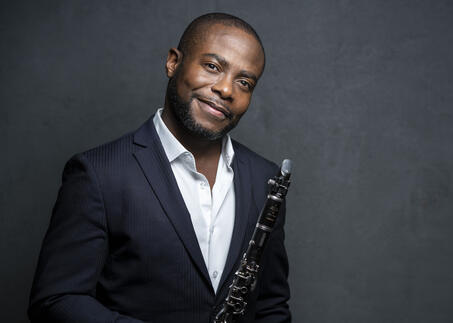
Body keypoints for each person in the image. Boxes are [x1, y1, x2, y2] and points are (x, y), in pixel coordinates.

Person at [28, 13, 291, 323]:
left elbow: (271, 307)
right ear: (173, 62)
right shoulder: (97, 173)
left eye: (244, 82)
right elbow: (56, 300)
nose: (226, 90)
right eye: (212, 67)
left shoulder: (265, 179)